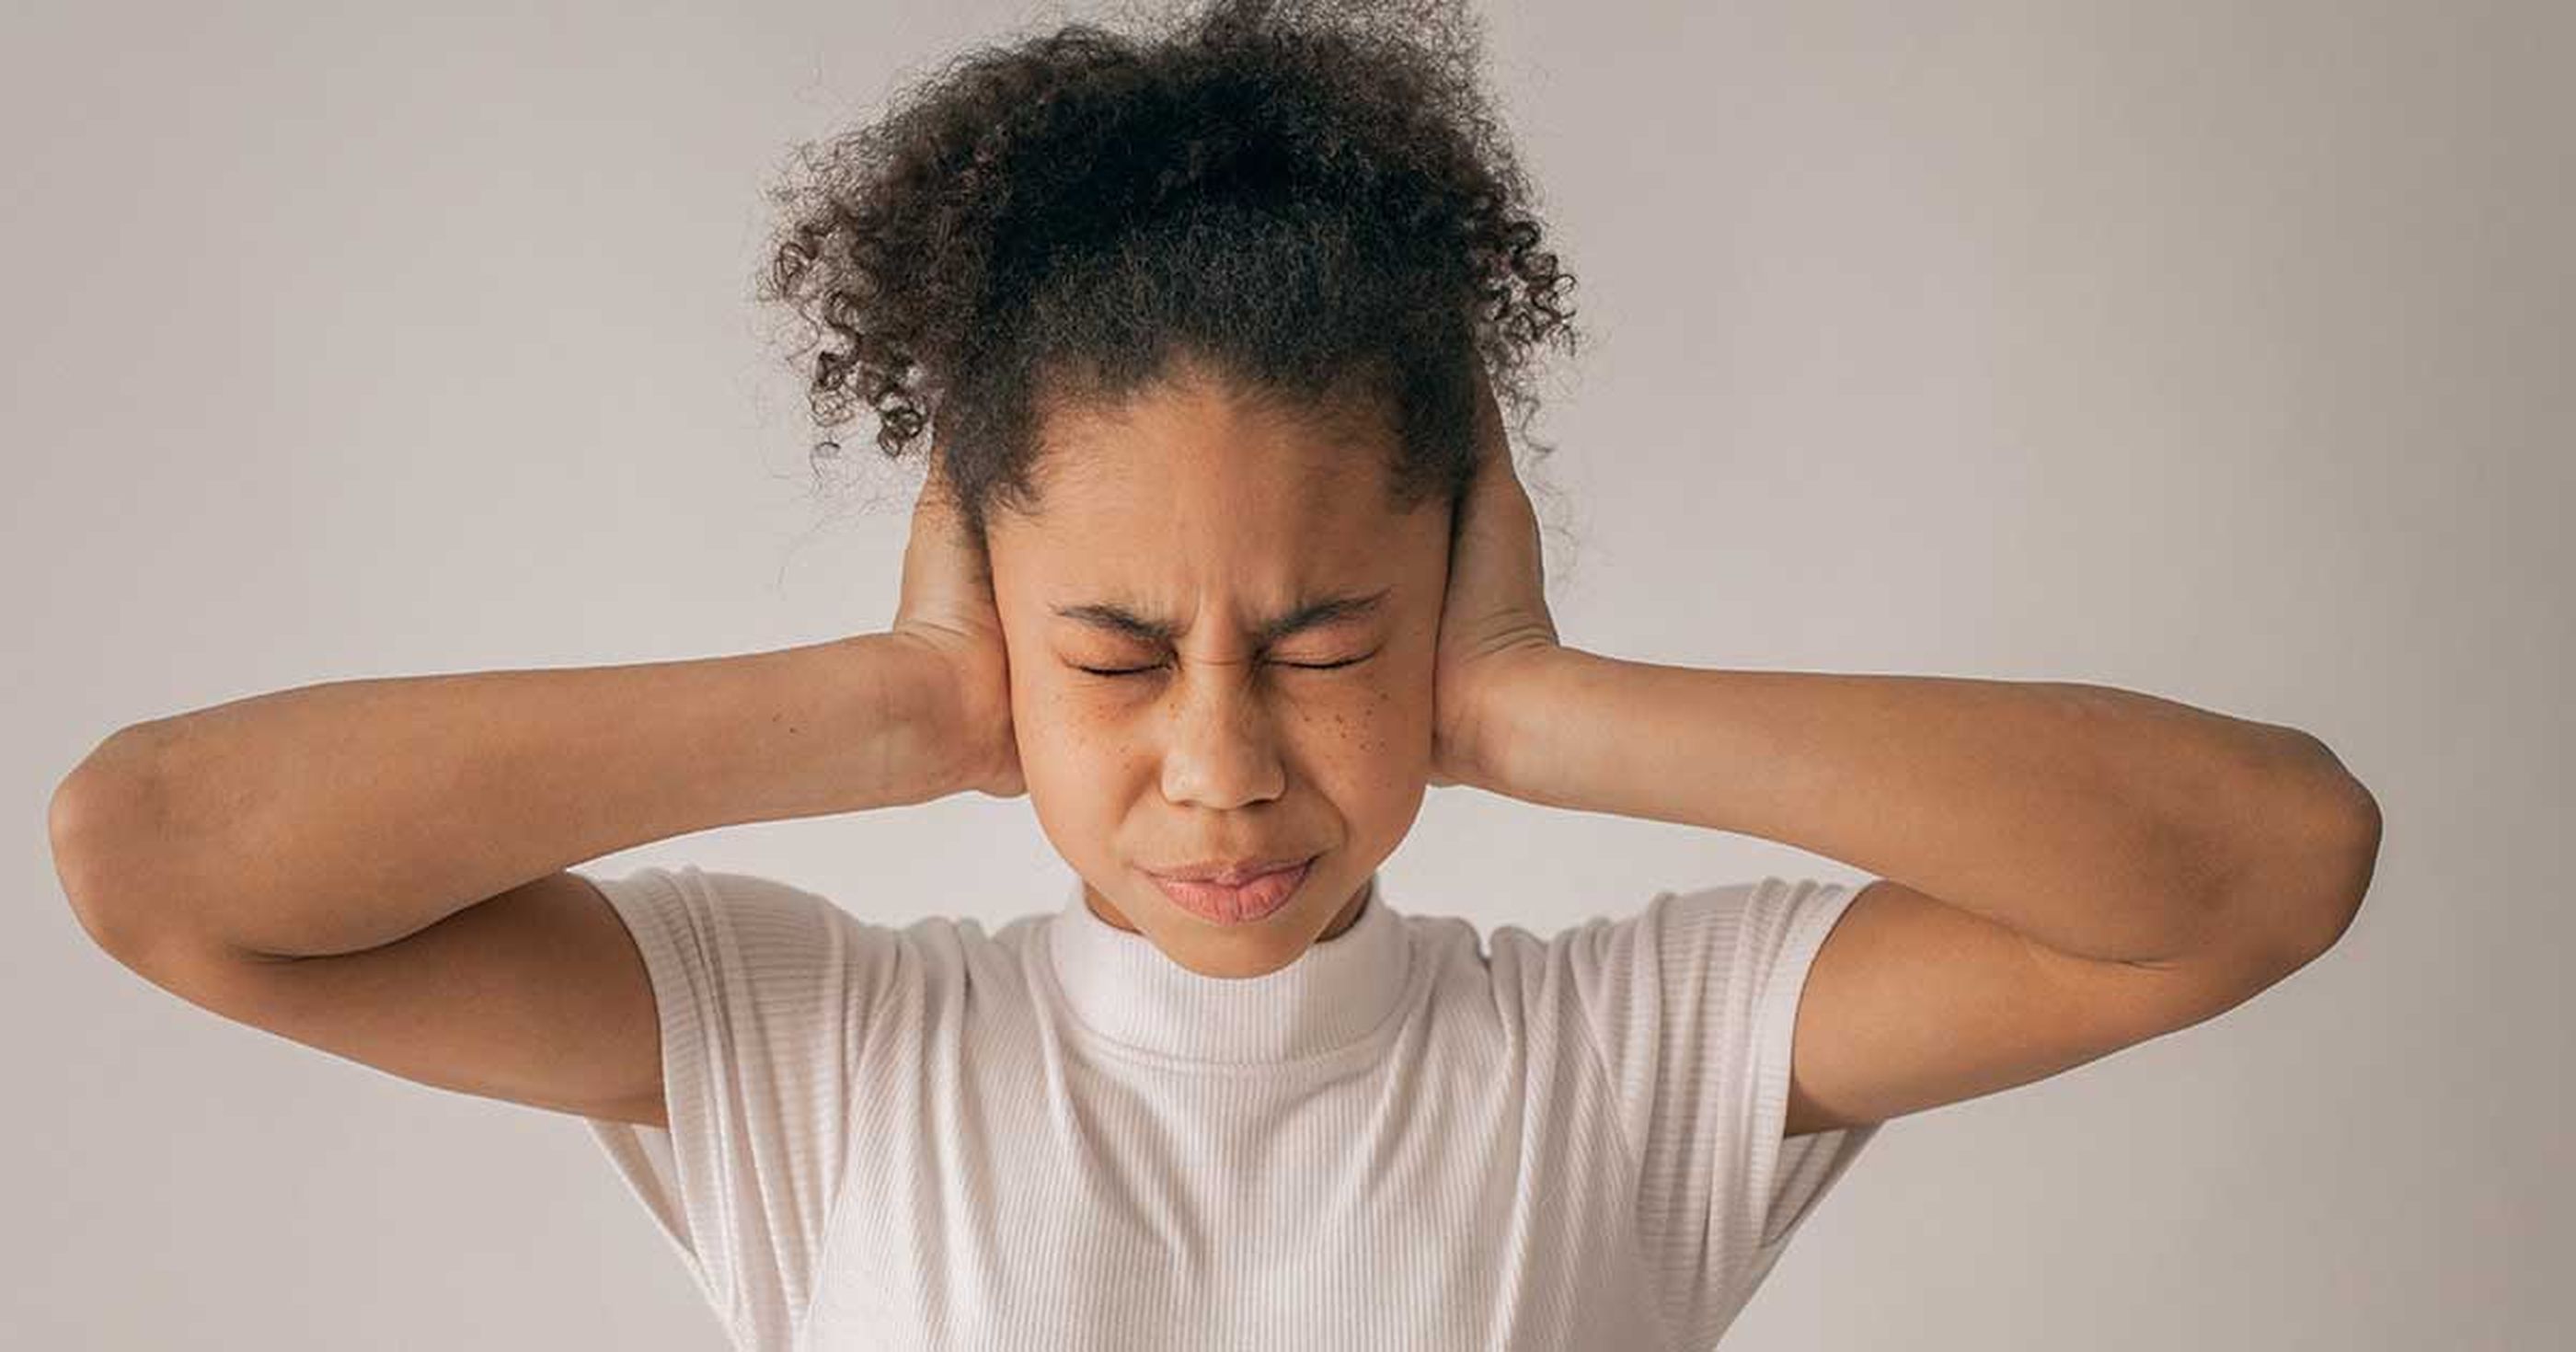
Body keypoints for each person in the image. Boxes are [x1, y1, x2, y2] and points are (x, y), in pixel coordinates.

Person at [50, 1, 2380, 1349]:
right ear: (994, 614)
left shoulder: (1627, 1063)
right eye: (1111, 651)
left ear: (1442, 588)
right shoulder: (820, 1056)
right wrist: (898, 705)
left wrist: (1534, 703)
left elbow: (2267, 861)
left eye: (1325, 640)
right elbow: (156, 860)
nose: (1220, 761)